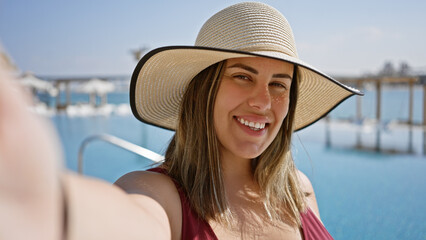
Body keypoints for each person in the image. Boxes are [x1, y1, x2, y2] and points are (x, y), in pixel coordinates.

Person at [0, 2, 361, 240]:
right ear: (203, 91)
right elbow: (126, 221)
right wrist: (44, 204)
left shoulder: (301, 190)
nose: (263, 101)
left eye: (278, 85)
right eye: (242, 76)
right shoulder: (161, 198)